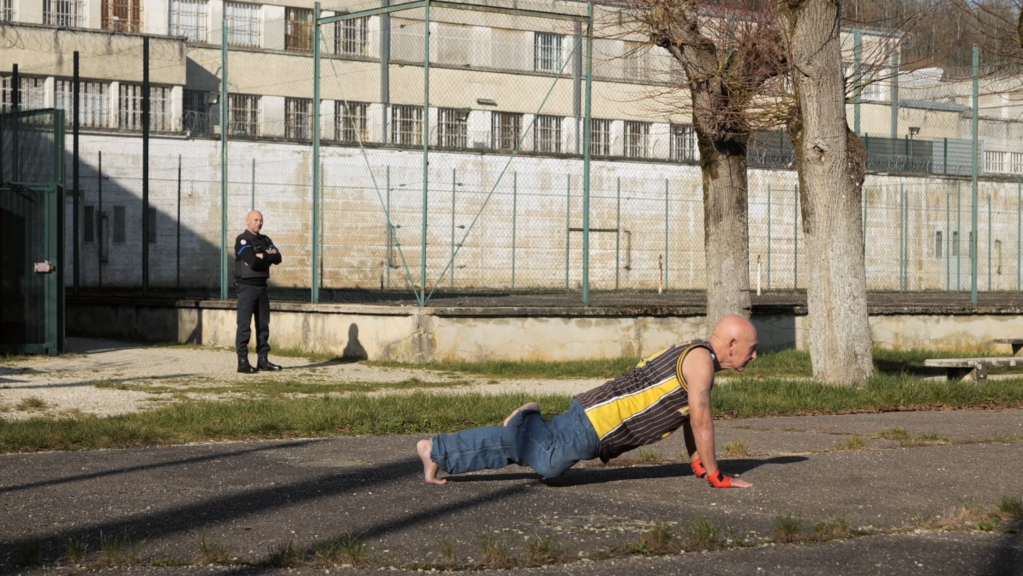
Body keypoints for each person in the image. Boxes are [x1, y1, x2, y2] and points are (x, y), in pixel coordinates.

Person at [416, 315, 758, 488]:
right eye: (751, 347)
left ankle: (522, 424)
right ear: (730, 343)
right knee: (546, 461)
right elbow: (700, 421)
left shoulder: (699, 358)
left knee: (544, 461)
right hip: (597, 421)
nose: (754, 355)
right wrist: (716, 475)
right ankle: (440, 449)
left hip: (596, 420)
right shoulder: (700, 363)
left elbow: (685, 416)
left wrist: (697, 460)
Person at [234, 210, 283, 374]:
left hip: (262, 287)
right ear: (247, 221)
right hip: (247, 287)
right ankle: (243, 361)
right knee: (244, 326)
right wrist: (262, 257)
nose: (259, 223)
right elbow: (252, 261)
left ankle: (263, 359)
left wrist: (263, 256)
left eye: (261, 220)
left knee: (263, 325)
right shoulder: (242, 240)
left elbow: (278, 258)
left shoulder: (265, 239)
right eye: (255, 220)